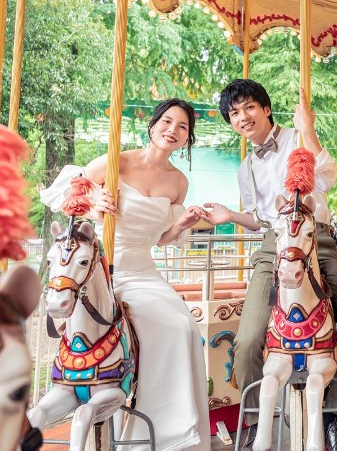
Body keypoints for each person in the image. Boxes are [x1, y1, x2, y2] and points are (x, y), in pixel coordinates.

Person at [203, 80, 337, 451]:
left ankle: (331, 414)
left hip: (318, 240)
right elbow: (257, 217)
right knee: (248, 339)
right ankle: (253, 421)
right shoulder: (245, 167)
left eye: (248, 107)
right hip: (274, 245)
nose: (242, 117)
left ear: (266, 109)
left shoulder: (297, 139)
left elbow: (327, 177)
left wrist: (308, 129)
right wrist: (230, 214)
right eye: (234, 114)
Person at [41, 98, 211, 451]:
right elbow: (71, 199)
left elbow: (159, 238)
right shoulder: (116, 161)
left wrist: (181, 223)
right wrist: (94, 204)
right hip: (105, 271)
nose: (173, 130)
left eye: (182, 127)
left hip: (143, 270)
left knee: (182, 328)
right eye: (167, 121)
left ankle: (169, 432)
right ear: (152, 125)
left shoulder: (179, 182)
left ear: (187, 138)